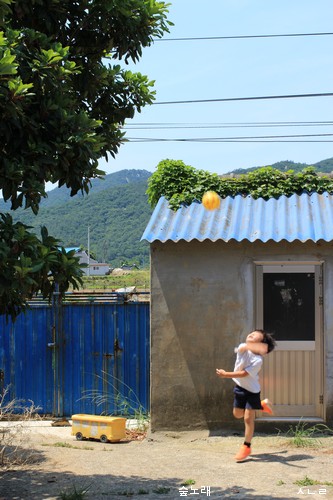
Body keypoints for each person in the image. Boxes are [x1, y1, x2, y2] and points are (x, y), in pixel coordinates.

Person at [216, 329, 276, 462]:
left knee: (248, 419)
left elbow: (243, 374)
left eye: (255, 336)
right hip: (239, 389)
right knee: (237, 414)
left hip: (252, 391)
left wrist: (225, 374)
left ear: (261, 343)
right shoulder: (243, 347)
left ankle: (246, 446)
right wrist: (258, 346)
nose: (251, 334)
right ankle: (260, 405)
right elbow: (245, 346)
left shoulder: (258, 360)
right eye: (251, 333)